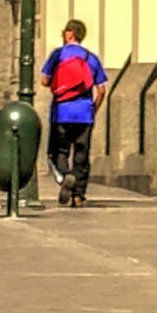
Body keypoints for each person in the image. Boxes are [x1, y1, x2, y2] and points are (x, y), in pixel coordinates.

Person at [43, 26, 105, 206]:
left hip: (61, 112)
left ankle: (66, 176)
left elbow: (44, 80)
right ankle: (78, 196)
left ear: (69, 34)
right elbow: (102, 90)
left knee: (58, 152)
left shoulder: (58, 55)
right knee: (81, 156)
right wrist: (93, 109)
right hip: (84, 114)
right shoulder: (90, 58)